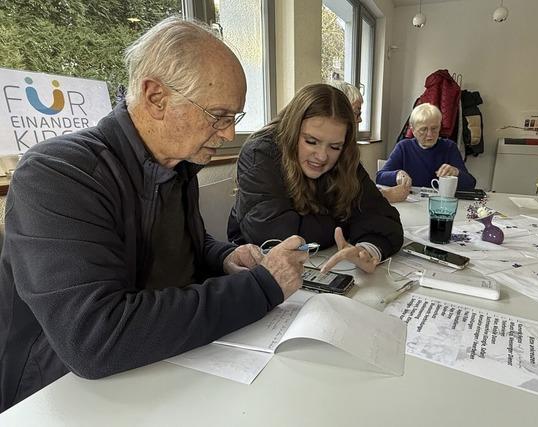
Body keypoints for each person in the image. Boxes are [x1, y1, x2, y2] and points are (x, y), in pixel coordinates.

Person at [0, 17, 308, 412]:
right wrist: (262, 287)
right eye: (218, 115)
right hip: (59, 396)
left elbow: (165, 251)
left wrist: (222, 257)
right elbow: (94, 339)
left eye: (235, 118)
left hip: (160, 368)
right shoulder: (57, 174)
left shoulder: (177, 166)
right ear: (156, 97)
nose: (229, 134)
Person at [228, 83, 404, 273]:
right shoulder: (260, 152)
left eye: (335, 146)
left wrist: (366, 250)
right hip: (258, 271)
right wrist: (345, 221)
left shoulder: (345, 157)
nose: (322, 156)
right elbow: (276, 237)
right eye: (311, 142)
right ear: (292, 130)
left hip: (324, 265)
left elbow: (384, 221)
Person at [328, 80, 410, 203]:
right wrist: (387, 195)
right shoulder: (332, 151)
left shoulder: (348, 149)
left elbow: (360, 187)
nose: (360, 120)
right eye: (357, 113)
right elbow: (340, 197)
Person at [377, 103, 477, 190]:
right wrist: (397, 174)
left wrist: (456, 172)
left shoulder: (449, 147)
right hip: (412, 204)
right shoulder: (403, 147)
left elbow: (470, 184)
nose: (430, 134)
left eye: (434, 128)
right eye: (423, 129)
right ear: (413, 130)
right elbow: (380, 176)